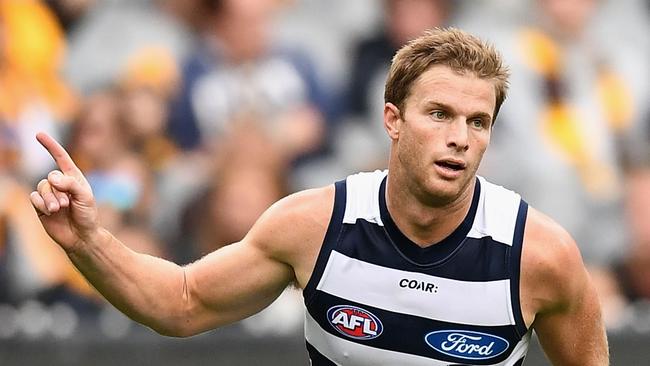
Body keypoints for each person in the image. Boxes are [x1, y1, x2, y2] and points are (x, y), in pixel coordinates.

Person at [30, 28, 608, 365]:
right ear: (393, 120)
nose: (460, 137)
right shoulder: (314, 225)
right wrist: (86, 239)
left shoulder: (540, 256)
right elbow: (180, 304)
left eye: (478, 121)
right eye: (439, 113)